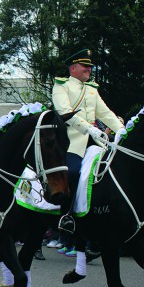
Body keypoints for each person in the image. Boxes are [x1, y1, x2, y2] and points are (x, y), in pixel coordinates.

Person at [52, 49, 125, 233]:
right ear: (73, 68)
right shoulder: (61, 86)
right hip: (71, 143)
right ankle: (66, 216)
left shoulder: (92, 89)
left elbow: (106, 113)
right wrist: (90, 129)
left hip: (96, 142)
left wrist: (121, 130)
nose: (89, 69)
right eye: (85, 66)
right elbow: (65, 113)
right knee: (73, 173)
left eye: (90, 66)